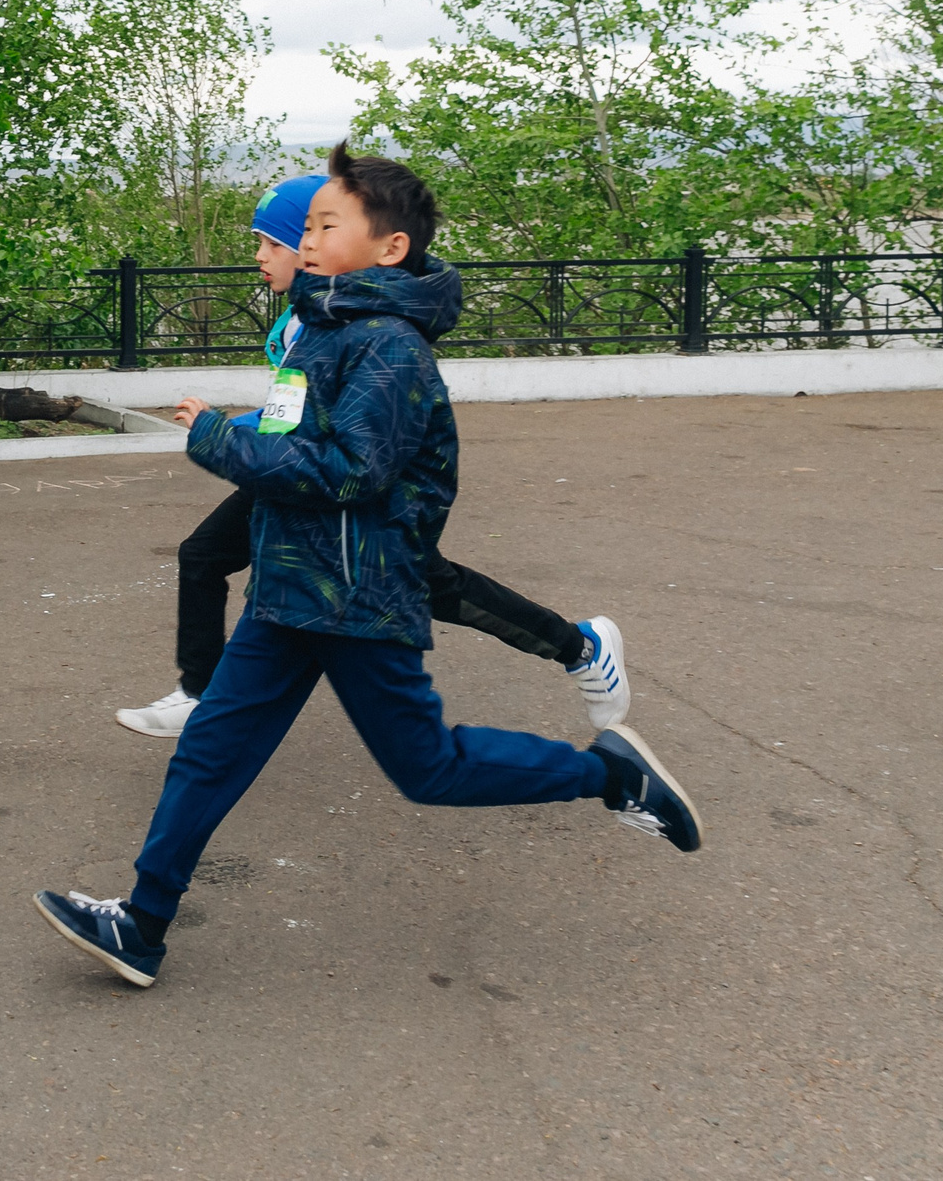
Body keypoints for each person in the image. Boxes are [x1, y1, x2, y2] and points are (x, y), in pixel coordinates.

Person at [35, 143, 703, 989]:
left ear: (390, 247)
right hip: (292, 589)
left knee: (431, 768)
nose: (306, 238)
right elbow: (294, 438)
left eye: (326, 223)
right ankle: (142, 922)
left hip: (354, 597)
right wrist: (240, 430)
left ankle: (610, 774)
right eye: (305, 225)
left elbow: (350, 470)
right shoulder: (327, 327)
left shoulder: (389, 346)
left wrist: (214, 439)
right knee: (209, 749)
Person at [116, 172, 629, 740]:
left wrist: (227, 434)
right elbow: (297, 415)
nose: (265, 255)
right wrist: (242, 434)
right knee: (209, 556)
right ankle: (205, 697)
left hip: (364, 506)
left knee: (431, 592)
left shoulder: (365, 328)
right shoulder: (304, 317)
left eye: (277, 242)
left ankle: (580, 646)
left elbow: (354, 444)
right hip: (305, 486)